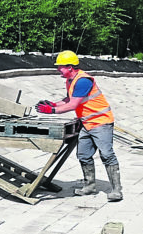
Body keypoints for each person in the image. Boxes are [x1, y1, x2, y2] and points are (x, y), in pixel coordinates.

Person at [35, 50, 122, 202]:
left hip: (101, 122)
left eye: (60, 66)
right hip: (86, 123)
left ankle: (116, 190)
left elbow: (73, 105)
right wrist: (54, 103)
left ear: (70, 67)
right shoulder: (71, 80)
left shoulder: (83, 80)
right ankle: (89, 186)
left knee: (107, 155)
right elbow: (70, 98)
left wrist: (52, 110)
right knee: (83, 155)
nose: (58, 69)